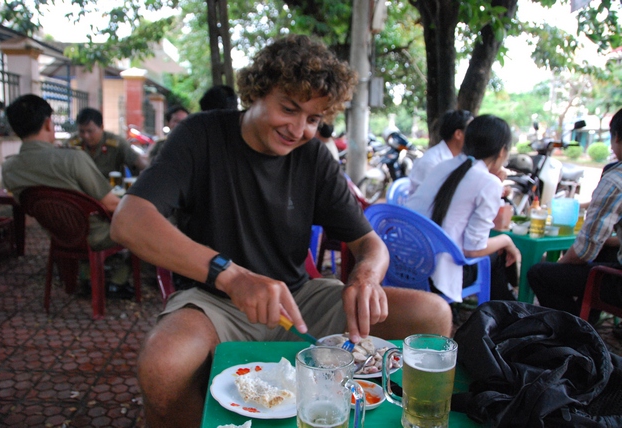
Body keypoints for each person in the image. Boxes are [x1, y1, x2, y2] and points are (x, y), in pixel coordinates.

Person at [110, 34, 452, 427]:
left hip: (299, 300)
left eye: (313, 119)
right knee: (162, 366)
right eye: (289, 109)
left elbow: (369, 243)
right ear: (255, 92)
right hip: (213, 302)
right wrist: (231, 276)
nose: (298, 129)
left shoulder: (314, 157)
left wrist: (366, 277)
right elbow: (129, 220)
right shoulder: (200, 135)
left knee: (431, 315)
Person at [1, 94, 134, 299]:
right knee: (152, 221)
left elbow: (26, 205)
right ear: (48, 123)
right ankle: (119, 281)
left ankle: (87, 278)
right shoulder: (73, 158)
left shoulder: (9, 168)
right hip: (97, 236)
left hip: (58, 235)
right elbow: (111, 204)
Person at [406, 114, 521, 302]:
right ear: (502, 151)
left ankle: (506, 306)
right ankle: (506, 309)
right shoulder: (488, 182)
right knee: (497, 255)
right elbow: (473, 249)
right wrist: (506, 241)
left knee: (495, 254)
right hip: (436, 276)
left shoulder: (443, 166)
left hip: (405, 262)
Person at [528, 107, 622, 321]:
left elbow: (584, 251)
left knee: (540, 274)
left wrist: (558, 266)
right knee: (603, 255)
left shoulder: (615, 179)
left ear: (616, 137)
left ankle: (577, 330)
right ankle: (587, 322)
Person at [65, 107, 148, 178]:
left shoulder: (116, 143)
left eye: (90, 131)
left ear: (101, 127)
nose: (86, 136)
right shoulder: (73, 143)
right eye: (81, 131)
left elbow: (138, 162)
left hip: (110, 188)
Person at [408, 109, 473, 196]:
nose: (476, 135)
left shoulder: (465, 158)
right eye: (471, 130)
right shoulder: (431, 162)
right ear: (458, 134)